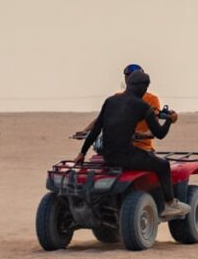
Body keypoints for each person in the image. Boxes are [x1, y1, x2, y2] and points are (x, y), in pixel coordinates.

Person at [75, 69, 190, 218]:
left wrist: (82, 153)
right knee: (163, 165)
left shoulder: (110, 101)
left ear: (128, 84)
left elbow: (96, 129)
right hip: (128, 157)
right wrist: (169, 120)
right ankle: (169, 204)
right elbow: (160, 134)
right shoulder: (142, 106)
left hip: (108, 157)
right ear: (144, 88)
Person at [76, 63, 162, 151]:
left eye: (132, 76)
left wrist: (142, 135)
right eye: (126, 76)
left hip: (142, 147)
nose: (128, 79)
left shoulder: (151, 99)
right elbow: (101, 119)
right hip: (117, 147)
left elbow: (154, 128)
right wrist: (85, 131)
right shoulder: (116, 97)